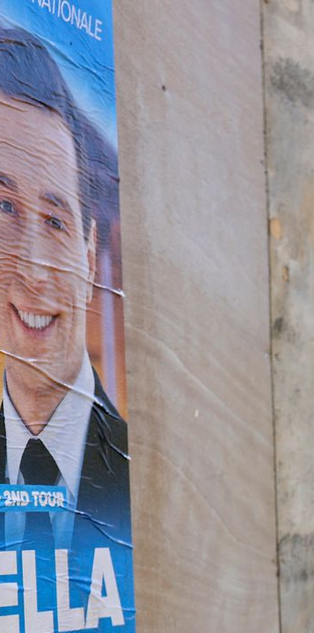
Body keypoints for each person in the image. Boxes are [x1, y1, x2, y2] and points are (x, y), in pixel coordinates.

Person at [0, 24, 129, 556]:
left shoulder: (138, 462)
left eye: (55, 221)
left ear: (88, 245)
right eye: (4, 209)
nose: (33, 270)